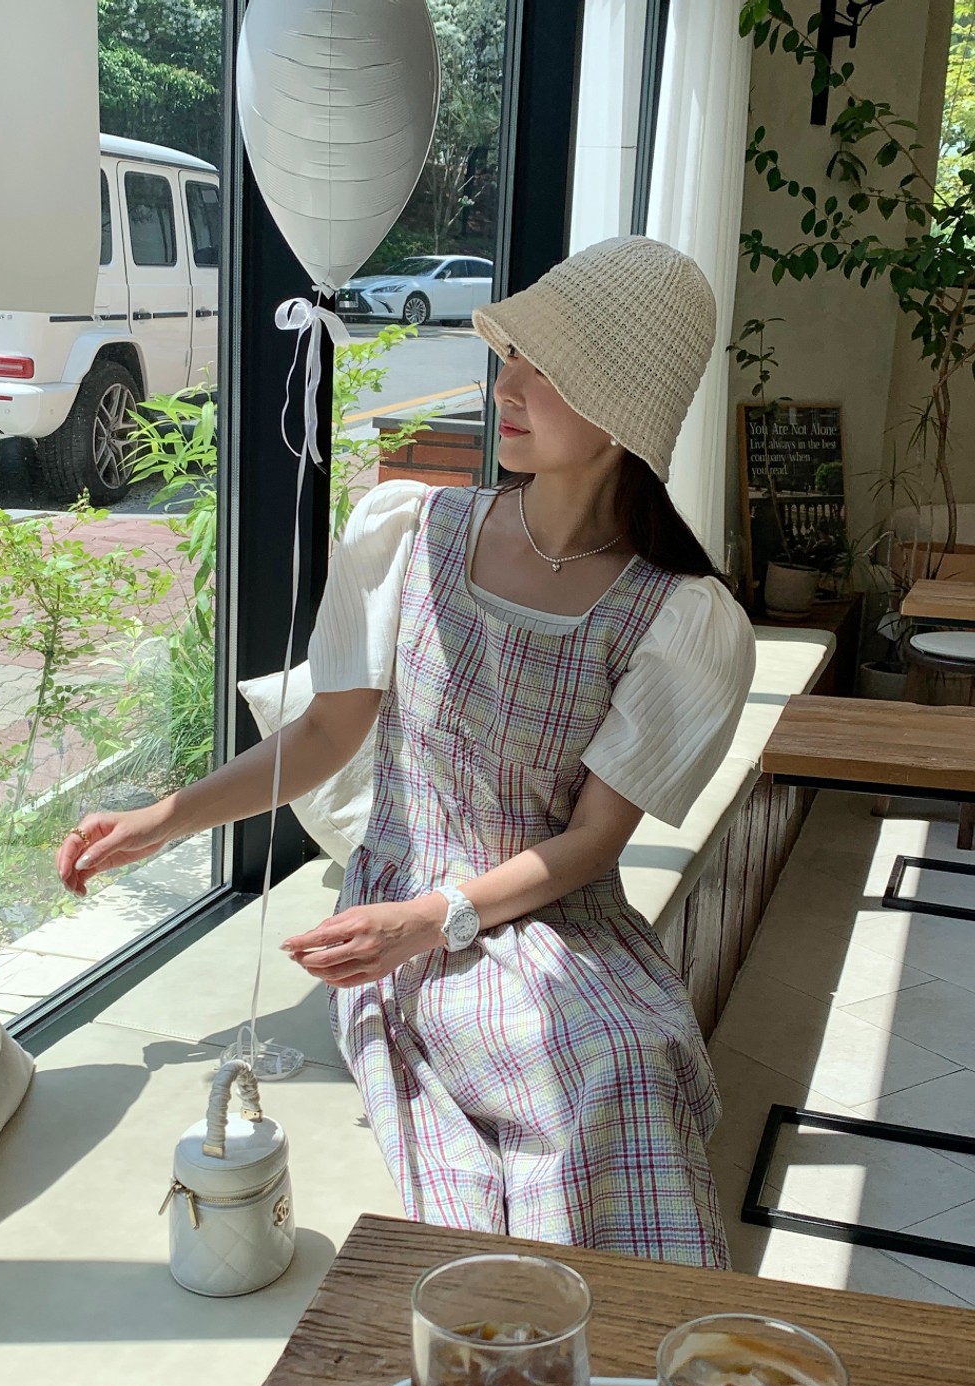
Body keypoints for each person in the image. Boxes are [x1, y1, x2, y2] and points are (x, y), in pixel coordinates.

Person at [58, 236, 756, 1267]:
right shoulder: (411, 530)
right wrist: (160, 823)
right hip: (405, 904)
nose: (505, 385)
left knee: (624, 1058)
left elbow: (594, 844)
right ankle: (537, 1329)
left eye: (545, 369)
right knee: (573, 1069)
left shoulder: (677, 616)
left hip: (550, 916)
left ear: (622, 409)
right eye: (510, 355)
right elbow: (326, 733)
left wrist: (440, 918)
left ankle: (606, 1339)